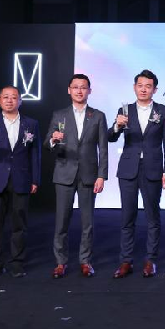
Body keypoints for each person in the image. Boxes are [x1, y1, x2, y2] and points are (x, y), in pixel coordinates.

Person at [109, 69, 165, 279]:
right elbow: (111, 137)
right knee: (127, 216)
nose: (144, 89)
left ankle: (150, 260)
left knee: (153, 216)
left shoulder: (163, 111)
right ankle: (125, 261)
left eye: (148, 86)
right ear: (134, 87)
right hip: (128, 168)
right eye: (140, 85)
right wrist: (117, 126)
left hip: (153, 168)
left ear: (155, 89)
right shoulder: (125, 110)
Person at [47, 74, 108, 279]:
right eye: (76, 87)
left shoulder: (97, 116)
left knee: (87, 223)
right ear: (69, 90)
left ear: (89, 91)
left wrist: (102, 175)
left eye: (83, 87)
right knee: (61, 222)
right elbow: (47, 143)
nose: (79, 91)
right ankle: (60, 262)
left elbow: (103, 148)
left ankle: (85, 261)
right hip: (64, 173)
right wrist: (53, 140)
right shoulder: (59, 115)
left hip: (89, 175)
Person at [0, 86, 41, 278]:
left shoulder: (31, 123)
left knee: (19, 223)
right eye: (5, 97)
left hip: (21, 177)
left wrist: (35, 179)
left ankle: (17, 262)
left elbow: (35, 153)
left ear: (20, 101)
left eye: (14, 97)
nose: (10, 100)